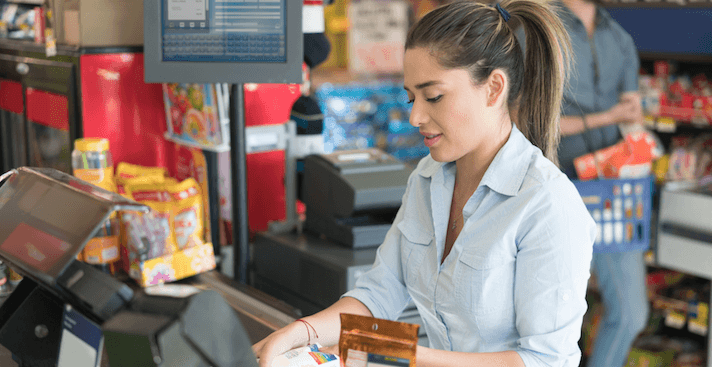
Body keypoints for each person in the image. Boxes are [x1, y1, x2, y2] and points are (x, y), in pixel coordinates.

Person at [254, 1, 595, 366]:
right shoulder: (428, 178)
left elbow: (545, 360)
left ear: (494, 89)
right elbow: (379, 292)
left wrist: (395, 348)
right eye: (411, 98)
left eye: (433, 97)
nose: (416, 116)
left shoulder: (547, 204)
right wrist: (300, 332)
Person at [551, 0, 649, 366]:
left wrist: (639, 147)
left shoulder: (619, 38)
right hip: (556, 187)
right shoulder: (540, 30)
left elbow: (631, 113)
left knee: (630, 313)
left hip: (612, 190)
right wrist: (607, 116)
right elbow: (529, 120)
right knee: (546, 318)